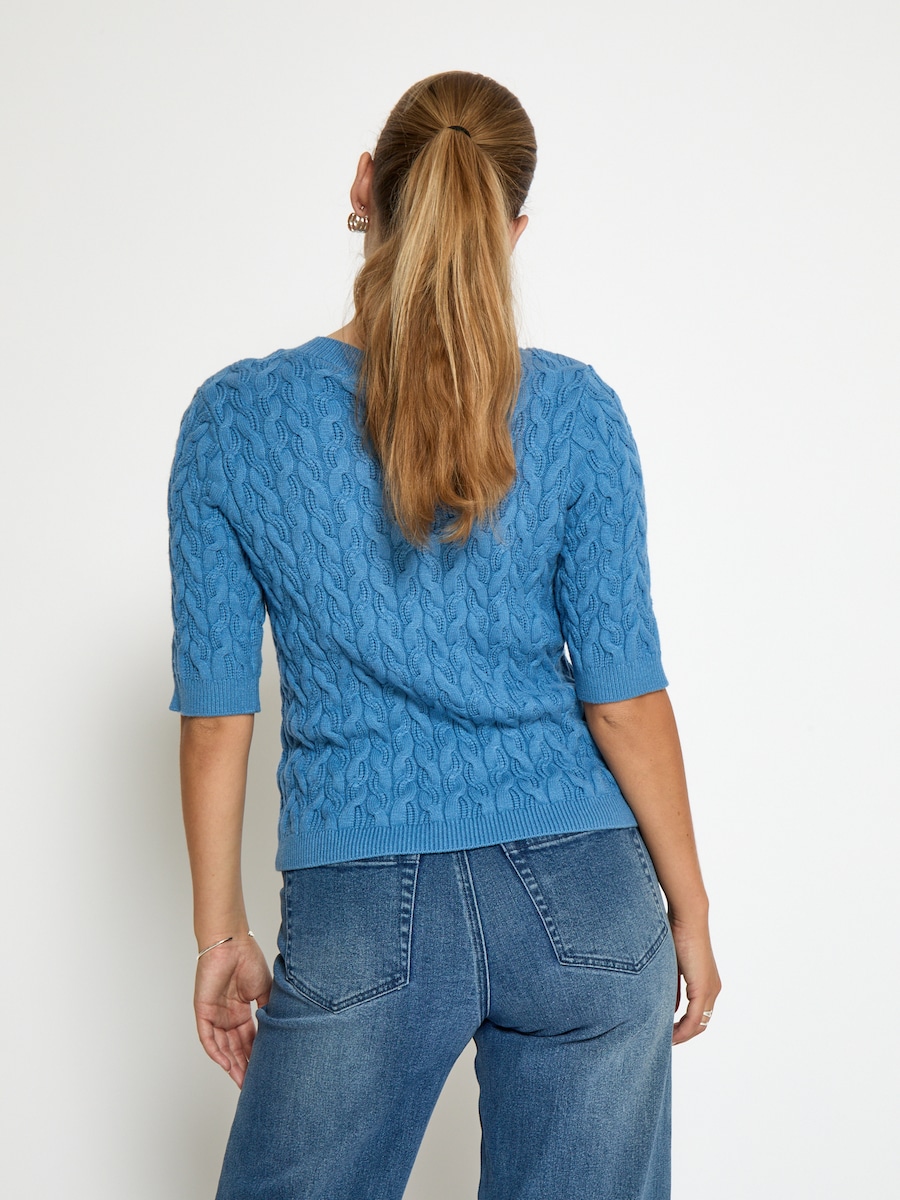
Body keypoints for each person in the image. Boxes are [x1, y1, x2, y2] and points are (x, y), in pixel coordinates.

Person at [169, 70, 721, 1200]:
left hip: (361, 905)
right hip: (590, 901)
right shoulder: (575, 411)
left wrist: (220, 934)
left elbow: (218, 715)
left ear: (363, 186)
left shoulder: (235, 420)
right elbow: (623, 698)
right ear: (511, 230)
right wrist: (691, 909)